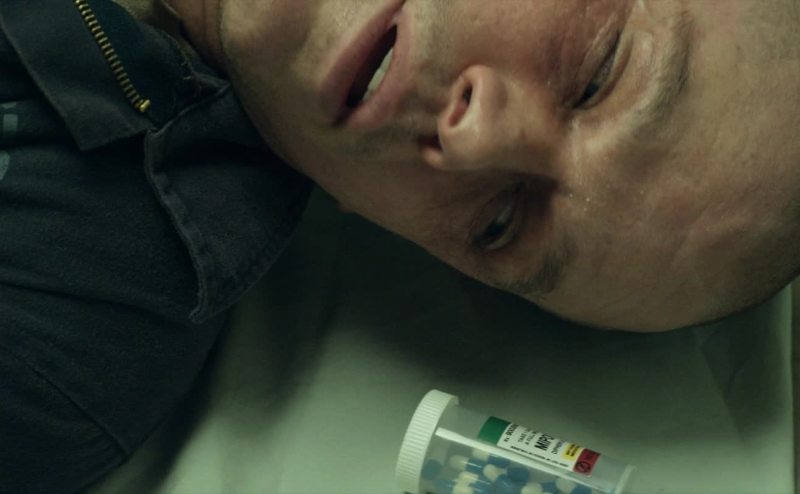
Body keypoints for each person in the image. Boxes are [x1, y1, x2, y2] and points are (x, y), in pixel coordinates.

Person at [1, 0, 798, 492]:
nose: (476, 139)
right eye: (598, 71)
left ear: (367, 216)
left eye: (498, 222)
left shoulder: (62, 322)